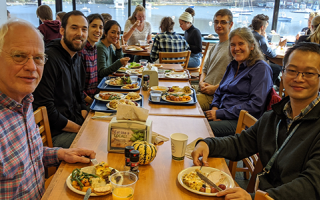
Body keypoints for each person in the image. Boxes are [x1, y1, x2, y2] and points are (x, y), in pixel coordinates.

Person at [191, 42, 320, 200]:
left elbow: (311, 186)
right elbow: (241, 143)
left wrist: (254, 198)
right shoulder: (275, 116)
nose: (299, 78)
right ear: (283, 74)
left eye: (309, 73)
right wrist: (208, 144)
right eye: (292, 70)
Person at [0, 18, 96, 200]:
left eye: (38, 58)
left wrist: (61, 153)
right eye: (19, 56)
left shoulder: (24, 102)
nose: (31, 67)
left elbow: (28, 156)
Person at [33, 11, 89, 148]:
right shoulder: (49, 59)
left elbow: (80, 94)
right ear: (62, 30)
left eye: (84, 29)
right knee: (99, 143)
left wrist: (85, 114)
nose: (80, 34)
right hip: (55, 135)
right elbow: (47, 109)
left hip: (74, 121)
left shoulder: (76, 57)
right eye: (74, 28)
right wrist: (80, 129)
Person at [205, 27, 273, 137]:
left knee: (199, 127)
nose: (236, 48)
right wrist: (215, 108)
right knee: (191, 120)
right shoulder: (233, 65)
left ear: (252, 46)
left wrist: (220, 114)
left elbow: (255, 105)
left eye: (241, 44)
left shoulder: (261, 68)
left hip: (242, 123)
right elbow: (219, 91)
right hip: (222, 113)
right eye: (232, 45)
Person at [197, 9, 234, 111]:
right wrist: (201, 82)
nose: (219, 25)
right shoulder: (215, 47)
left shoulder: (233, 48)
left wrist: (215, 88)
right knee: (176, 93)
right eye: (216, 22)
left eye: (223, 22)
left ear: (230, 25)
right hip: (203, 89)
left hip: (215, 97)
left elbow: (236, 77)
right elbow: (204, 69)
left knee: (184, 104)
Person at [251, 14, 286, 86]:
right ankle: (269, 87)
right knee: (278, 67)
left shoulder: (249, 34)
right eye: (266, 27)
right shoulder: (260, 38)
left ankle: (273, 83)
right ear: (262, 27)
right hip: (256, 64)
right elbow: (272, 54)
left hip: (250, 62)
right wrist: (279, 46)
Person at [79, 14, 104, 105]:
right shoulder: (81, 51)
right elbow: (76, 87)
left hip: (94, 97)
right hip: (84, 103)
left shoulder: (94, 48)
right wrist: (92, 102)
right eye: (94, 26)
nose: (98, 30)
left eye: (101, 27)